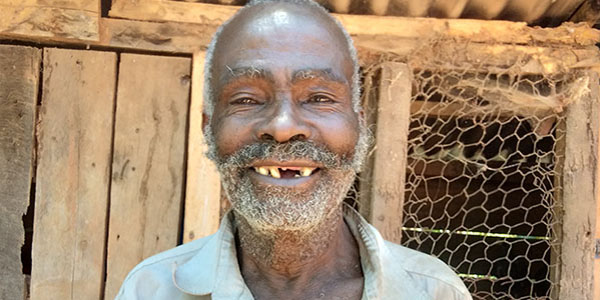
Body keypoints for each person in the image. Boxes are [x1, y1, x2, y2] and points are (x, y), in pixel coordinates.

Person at [116, 0, 472, 299]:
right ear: (210, 128)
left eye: (318, 98)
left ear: (360, 126)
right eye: (247, 99)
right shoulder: (152, 289)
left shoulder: (433, 291)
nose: (283, 127)